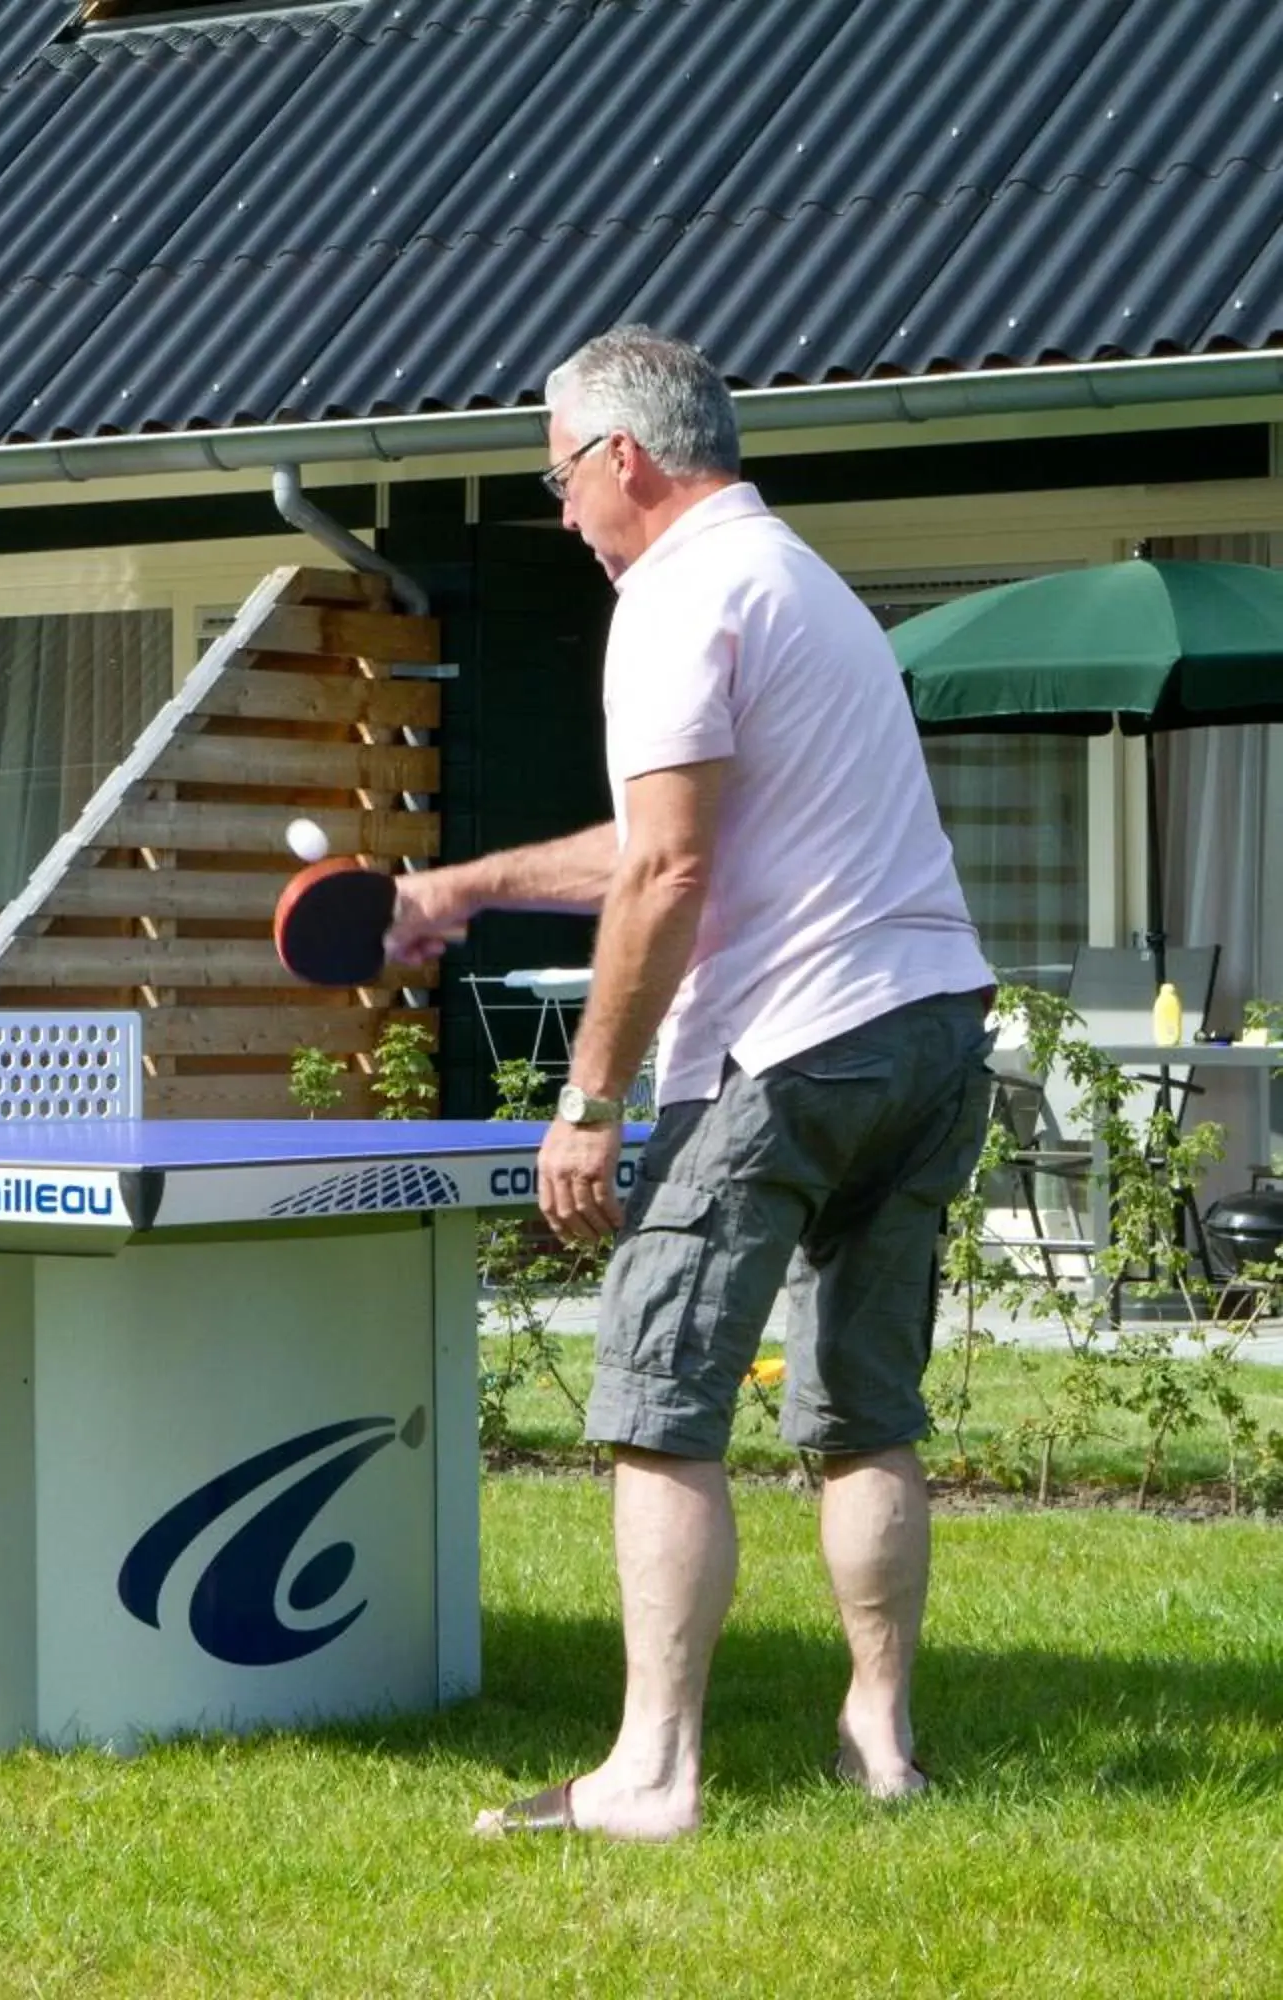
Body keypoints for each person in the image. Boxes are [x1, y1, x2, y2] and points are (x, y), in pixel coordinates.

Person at [384, 326, 996, 1841]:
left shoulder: (671, 597)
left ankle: (650, 1775)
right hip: (929, 1027)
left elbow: (670, 864)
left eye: (557, 478)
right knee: (866, 1411)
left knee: (659, 1405)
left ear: (623, 460)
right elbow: (669, 830)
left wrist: (589, 1103)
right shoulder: (799, 581)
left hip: (792, 1042)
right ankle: (883, 1743)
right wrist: (466, 883)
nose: (563, 514)